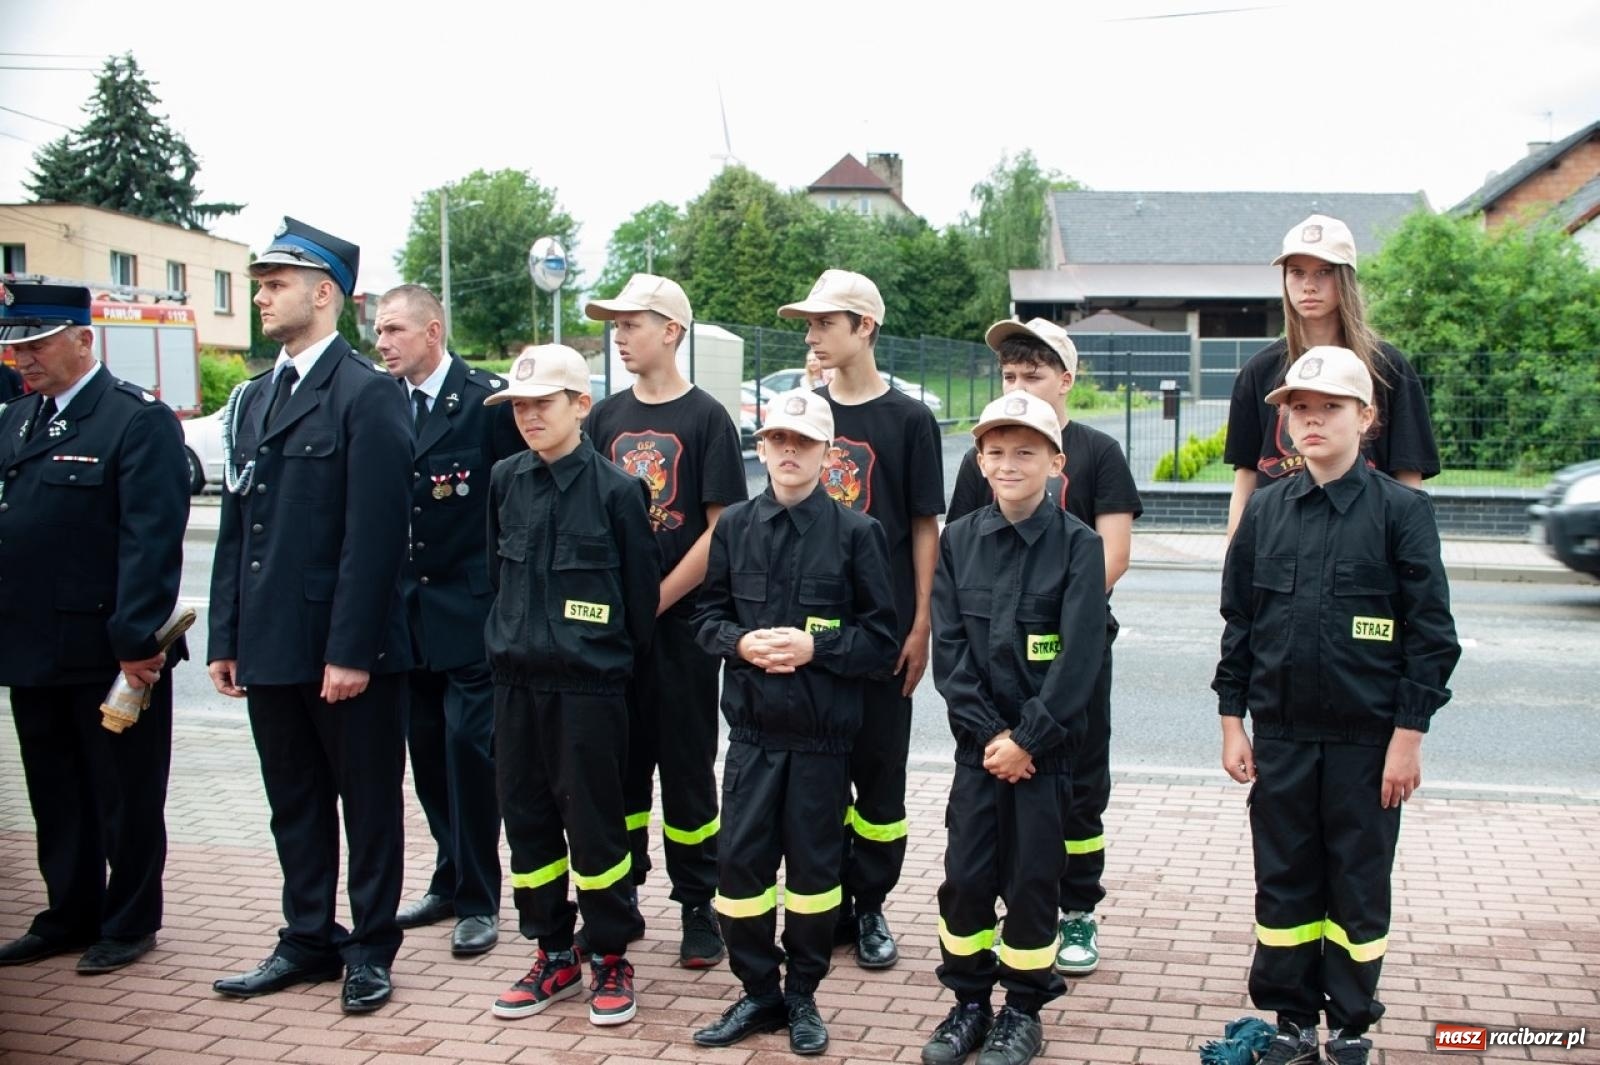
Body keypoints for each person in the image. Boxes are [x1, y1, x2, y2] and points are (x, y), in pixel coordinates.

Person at [1213, 346, 1461, 1065]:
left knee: (1356, 884)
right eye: (1298, 408)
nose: (1311, 419)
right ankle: (1292, 1020)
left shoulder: (1402, 512)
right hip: (1282, 738)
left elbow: (1432, 636)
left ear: (1367, 417)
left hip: (1367, 744)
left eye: (1329, 407)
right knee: (1285, 880)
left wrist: (1407, 738)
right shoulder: (1264, 511)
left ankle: (1351, 1023)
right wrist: (1233, 723)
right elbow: (1241, 624)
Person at [208, 218, 415, 1014]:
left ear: (323, 293)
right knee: (292, 798)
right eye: (260, 282)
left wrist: (353, 649)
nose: (261, 295)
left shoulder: (368, 394)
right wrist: (226, 635)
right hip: (271, 641)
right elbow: (240, 525)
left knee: (366, 802)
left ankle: (369, 948)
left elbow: (377, 535)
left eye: (275, 282)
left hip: (345, 649)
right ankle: (306, 936)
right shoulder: (257, 396)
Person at [689, 389, 899, 1056]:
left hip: (820, 744)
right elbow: (704, 620)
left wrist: (819, 648)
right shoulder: (734, 528)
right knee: (741, 873)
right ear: (760, 445)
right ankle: (757, 990)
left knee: (814, 880)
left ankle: (803, 993)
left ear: (827, 453)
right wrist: (738, 644)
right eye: (777, 438)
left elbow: (881, 642)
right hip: (751, 741)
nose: (787, 451)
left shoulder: (859, 535)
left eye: (802, 442)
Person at [0, 283, 189, 974]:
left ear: (84, 338)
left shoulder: (134, 420)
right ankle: (68, 912)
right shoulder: (16, 419)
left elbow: (151, 539)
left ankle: (129, 919)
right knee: (56, 792)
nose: (23, 357)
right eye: (15, 344)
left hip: (111, 652)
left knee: (124, 797)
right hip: (31, 645)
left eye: (37, 343)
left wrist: (136, 641)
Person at [946, 318, 1140, 977]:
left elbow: (1111, 552)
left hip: (1069, 659)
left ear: (1066, 377)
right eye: (1010, 376)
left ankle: (1077, 905)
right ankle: (1009, 907)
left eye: (1034, 373)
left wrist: (1060, 608)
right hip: (994, 655)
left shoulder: (1097, 452)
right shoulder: (992, 453)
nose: (1022, 384)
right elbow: (964, 553)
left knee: (1080, 785)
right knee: (999, 796)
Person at [923, 391, 1106, 1065]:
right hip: (980, 755)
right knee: (965, 880)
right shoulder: (959, 540)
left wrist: (1027, 738)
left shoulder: (1080, 547)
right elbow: (952, 651)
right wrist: (991, 735)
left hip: (1045, 758)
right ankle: (969, 1002)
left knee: (1033, 883)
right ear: (978, 458)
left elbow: (1080, 656)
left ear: (1056, 462)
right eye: (995, 451)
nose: (1009, 463)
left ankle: (1022, 1010)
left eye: (1026, 450)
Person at [483, 345, 659, 1027]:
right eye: (519, 405)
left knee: (595, 829)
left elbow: (640, 609)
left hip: (589, 694)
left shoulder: (619, 492)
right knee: (526, 824)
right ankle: (553, 950)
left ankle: (610, 955)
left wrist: (596, 661)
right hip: (515, 686)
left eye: (542, 403)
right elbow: (494, 578)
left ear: (580, 406)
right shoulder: (505, 480)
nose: (528, 416)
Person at [778, 269, 945, 969]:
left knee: (879, 777)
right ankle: (829, 902)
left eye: (825, 322)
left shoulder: (909, 420)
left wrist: (920, 626)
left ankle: (870, 902)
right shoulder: (804, 412)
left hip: (881, 633)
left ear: (864, 328)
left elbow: (923, 527)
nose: (812, 334)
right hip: (813, 634)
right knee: (818, 774)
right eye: (809, 323)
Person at [582, 274, 747, 968]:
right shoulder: (603, 418)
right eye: (614, 327)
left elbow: (720, 531)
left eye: (632, 325)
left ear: (671, 331)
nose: (619, 337)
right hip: (613, 638)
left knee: (685, 773)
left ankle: (697, 904)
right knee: (616, 772)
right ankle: (619, 901)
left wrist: (651, 597)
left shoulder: (708, 419)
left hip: (679, 634)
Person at [376, 284, 523, 957]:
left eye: (395, 330)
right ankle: (448, 873)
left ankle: (478, 899)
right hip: (408, 619)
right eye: (379, 332)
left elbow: (515, 507)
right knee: (427, 755)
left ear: (433, 331)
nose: (383, 344)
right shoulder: (382, 403)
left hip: (472, 611)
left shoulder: (485, 403)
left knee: (470, 751)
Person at [1225, 213, 1439, 537]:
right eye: (1297, 272)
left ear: (1346, 278)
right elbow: (1246, 480)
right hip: (1279, 546)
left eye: (1323, 272)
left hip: (1365, 544)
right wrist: (1234, 565)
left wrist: (1411, 560)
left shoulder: (1388, 369)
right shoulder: (1259, 371)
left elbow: (1409, 481)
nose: (1309, 285)